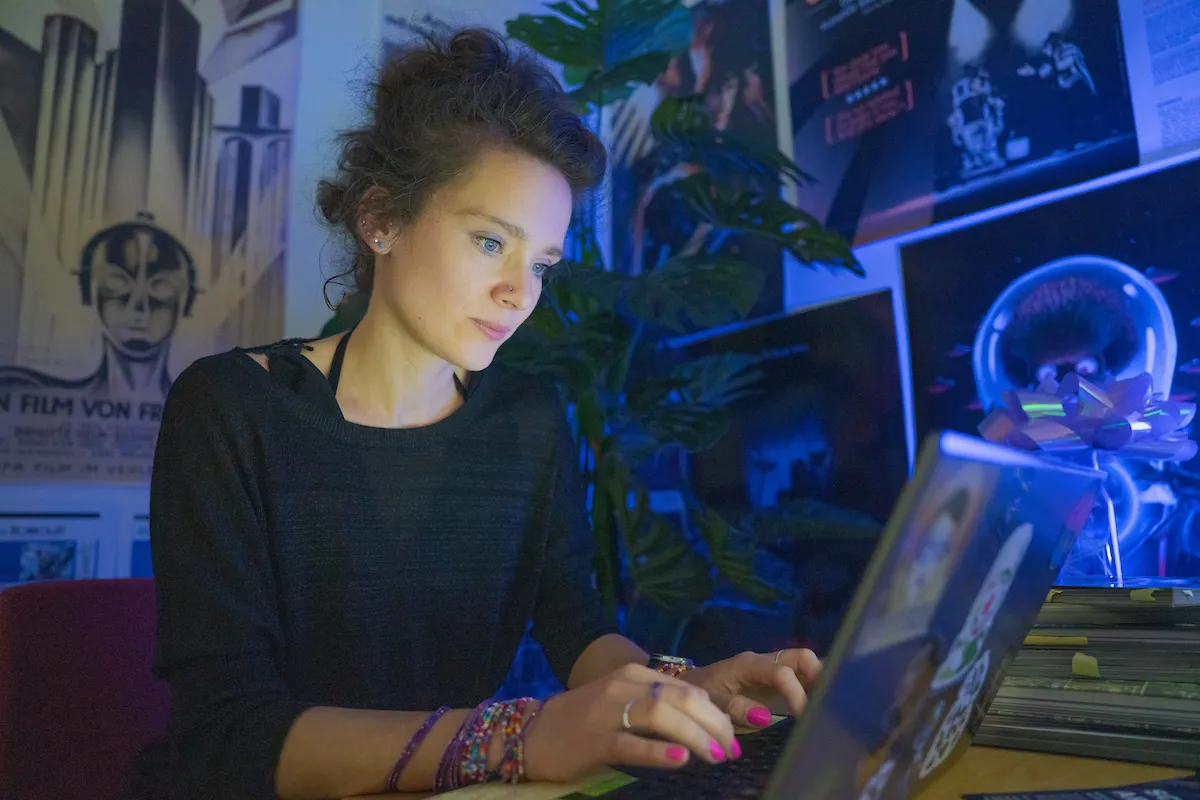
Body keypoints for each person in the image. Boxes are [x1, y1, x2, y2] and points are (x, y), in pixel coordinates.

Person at [145, 28, 821, 800]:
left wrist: (683, 688)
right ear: (381, 220)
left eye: (541, 264)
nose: (520, 293)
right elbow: (229, 735)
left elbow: (578, 630)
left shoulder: (528, 420)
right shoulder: (232, 409)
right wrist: (518, 738)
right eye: (490, 241)